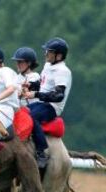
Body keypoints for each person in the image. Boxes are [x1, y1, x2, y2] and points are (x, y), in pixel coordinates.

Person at [22, 37, 72, 168]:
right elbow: (43, 85)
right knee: (20, 112)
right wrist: (31, 85)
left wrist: (36, 94)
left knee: (31, 117)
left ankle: (41, 152)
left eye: (49, 52)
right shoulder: (48, 65)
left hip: (52, 107)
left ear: (59, 55)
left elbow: (58, 95)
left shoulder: (63, 71)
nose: (45, 54)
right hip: (41, 103)